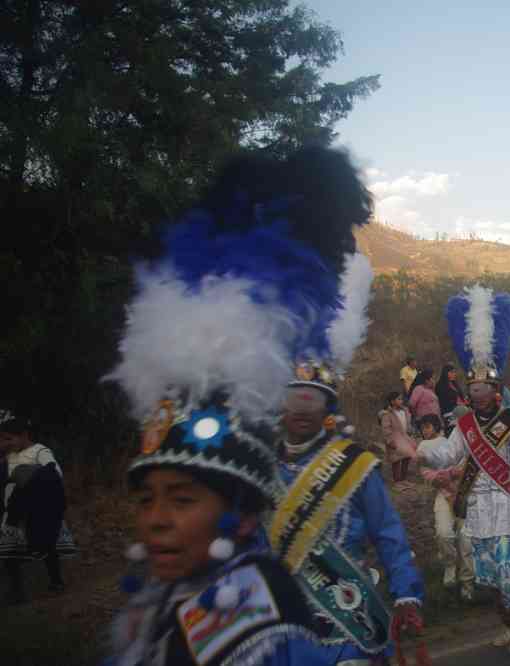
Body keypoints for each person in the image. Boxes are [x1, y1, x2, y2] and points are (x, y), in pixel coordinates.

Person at [103, 146, 392, 665]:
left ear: (238, 513)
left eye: (183, 499)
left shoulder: (263, 632)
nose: (157, 519)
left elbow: (385, 531)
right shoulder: (154, 606)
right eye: (147, 499)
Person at [395, 284, 510, 655]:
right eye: (472, 386)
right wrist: (416, 452)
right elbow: (447, 454)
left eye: (483, 386)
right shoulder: (463, 426)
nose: (476, 392)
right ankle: (507, 624)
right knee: (490, 575)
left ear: (495, 389)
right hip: (476, 505)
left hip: (506, 504)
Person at [276, 366, 425, 664]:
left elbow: (387, 530)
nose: (303, 411)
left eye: (313, 402)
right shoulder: (261, 468)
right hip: (284, 625)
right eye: (295, 401)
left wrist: (405, 590)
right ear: (280, 406)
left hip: (349, 621)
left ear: (327, 409)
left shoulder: (354, 464)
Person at [0, 408, 76, 604]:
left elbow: (54, 474)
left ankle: (56, 581)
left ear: (24, 435)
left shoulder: (40, 451)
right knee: (10, 551)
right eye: (3, 440)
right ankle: (16, 591)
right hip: (13, 512)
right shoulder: (9, 456)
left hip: (38, 511)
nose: (5, 444)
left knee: (47, 548)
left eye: (9, 439)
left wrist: (28, 475)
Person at [418, 414, 475, 602]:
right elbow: (426, 473)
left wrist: (449, 473)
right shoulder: (422, 447)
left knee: (466, 539)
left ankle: (468, 584)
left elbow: (463, 466)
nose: (425, 430)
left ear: (437, 426)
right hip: (443, 494)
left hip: (464, 493)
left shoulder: (452, 441)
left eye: (428, 426)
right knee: (443, 533)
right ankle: (450, 565)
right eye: (422, 427)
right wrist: (443, 476)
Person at [382, 391, 411, 483]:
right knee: (396, 460)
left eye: (401, 399)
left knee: (406, 457)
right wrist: (390, 441)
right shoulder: (387, 414)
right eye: (399, 399)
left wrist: (410, 431)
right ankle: (397, 480)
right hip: (395, 440)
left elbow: (408, 423)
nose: (401, 401)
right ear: (392, 401)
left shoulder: (405, 411)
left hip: (405, 439)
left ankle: (404, 478)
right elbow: (386, 429)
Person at [435, 363, 467, 433]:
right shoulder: (440, 385)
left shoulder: (454, 383)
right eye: (451, 372)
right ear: (445, 373)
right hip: (449, 413)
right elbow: (443, 401)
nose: (454, 374)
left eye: (454, 372)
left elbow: (459, 396)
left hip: (461, 410)